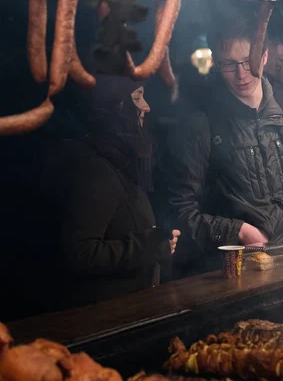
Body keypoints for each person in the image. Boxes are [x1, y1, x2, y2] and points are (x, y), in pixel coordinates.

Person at [164, 17, 283, 275]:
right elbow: (181, 212)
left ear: (265, 55)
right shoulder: (201, 123)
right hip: (242, 272)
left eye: (248, 61)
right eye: (229, 64)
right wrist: (238, 232)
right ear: (215, 62)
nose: (241, 73)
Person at [37, 75, 180, 310]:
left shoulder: (118, 155)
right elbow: (80, 253)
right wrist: (150, 246)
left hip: (126, 312)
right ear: (115, 108)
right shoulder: (94, 168)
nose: (146, 107)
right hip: (104, 318)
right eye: (137, 97)